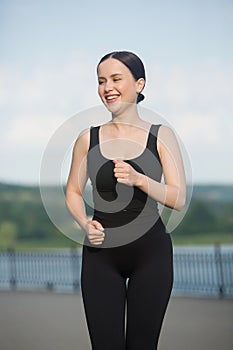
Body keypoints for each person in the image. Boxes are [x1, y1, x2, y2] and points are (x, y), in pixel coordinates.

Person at [66, 51, 186, 350]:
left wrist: (139, 179)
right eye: (101, 81)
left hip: (151, 254)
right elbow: (72, 191)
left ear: (139, 84)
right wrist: (84, 222)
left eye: (116, 79)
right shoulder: (87, 138)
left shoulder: (161, 136)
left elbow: (178, 198)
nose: (108, 87)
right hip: (100, 254)